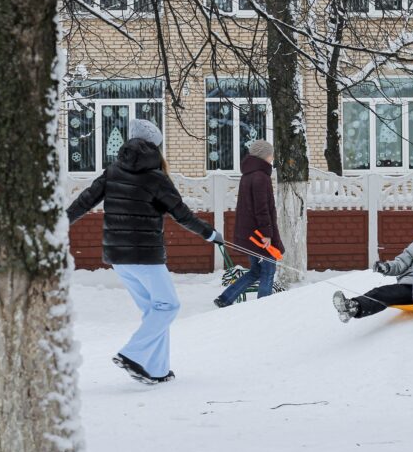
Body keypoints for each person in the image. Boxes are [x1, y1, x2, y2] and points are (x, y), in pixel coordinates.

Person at [67, 119, 223, 385]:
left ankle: (157, 369)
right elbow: (182, 214)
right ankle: (132, 354)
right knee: (168, 306)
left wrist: (58, 223)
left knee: (155, 311)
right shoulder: (156, 177)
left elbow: (84, 201)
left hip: (118, 256)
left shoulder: (113, 171)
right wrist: (210, 234)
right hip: (145, 257)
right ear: (156, 147)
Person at [333, 203, 413, 322]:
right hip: (407, 286)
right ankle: (353, 307)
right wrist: (387, 267)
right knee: (382, 292)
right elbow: (401, 263)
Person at [214, 140, 283, 308]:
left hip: (250, 233)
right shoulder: (261, 177)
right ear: (264, 155)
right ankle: (263, 307)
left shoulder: (248, 175)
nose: (272, 157)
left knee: (256, 271)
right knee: (268, 271)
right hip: (259, 234)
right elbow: (261, 208)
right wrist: (267, 234)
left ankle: (225, 298)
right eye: (271, 154)